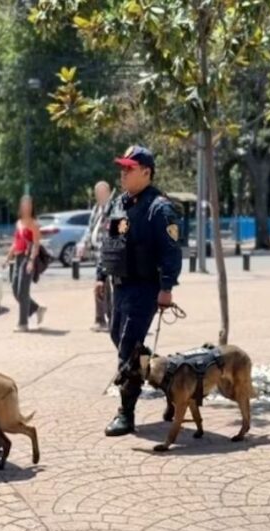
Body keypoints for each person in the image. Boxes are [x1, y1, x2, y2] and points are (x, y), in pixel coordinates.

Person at [99, 146, 183, 436]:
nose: (122, 174)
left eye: (129, 169)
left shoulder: (159, 208)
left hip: (144, 288)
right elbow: (108, 242)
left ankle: (126, 412)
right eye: (121, 169)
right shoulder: (120, 203)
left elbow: (171, 252)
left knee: (128, 349)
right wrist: (101, 275)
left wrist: (167, 288)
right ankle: (166, 376)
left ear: (146, 172)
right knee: (119, 338)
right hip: (119, 287)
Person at [3, 195, 47, 332]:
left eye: (28, 205)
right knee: (16, 290)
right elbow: (15, 243)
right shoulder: (19, 223)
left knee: (23, 291)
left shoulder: (34, 224)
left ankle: (23, 323)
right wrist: (7, 258)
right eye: (23, 205)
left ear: (32, 207)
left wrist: (31, 261)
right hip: (17, 258)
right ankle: (36, 308)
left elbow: (36, 245)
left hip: (28, 258)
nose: (26, 207)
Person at [80, 181, 114, 332]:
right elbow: (90, 230)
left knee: (103, 286)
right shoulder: (96, 209)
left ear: (107, 193)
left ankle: (105, 319)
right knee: (102, 287)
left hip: (107, 254)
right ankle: (104, 319)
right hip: (97, 254)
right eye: (97, 193)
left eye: (102, 192)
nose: (99, 195)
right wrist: (83, 244)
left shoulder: (112, 209)